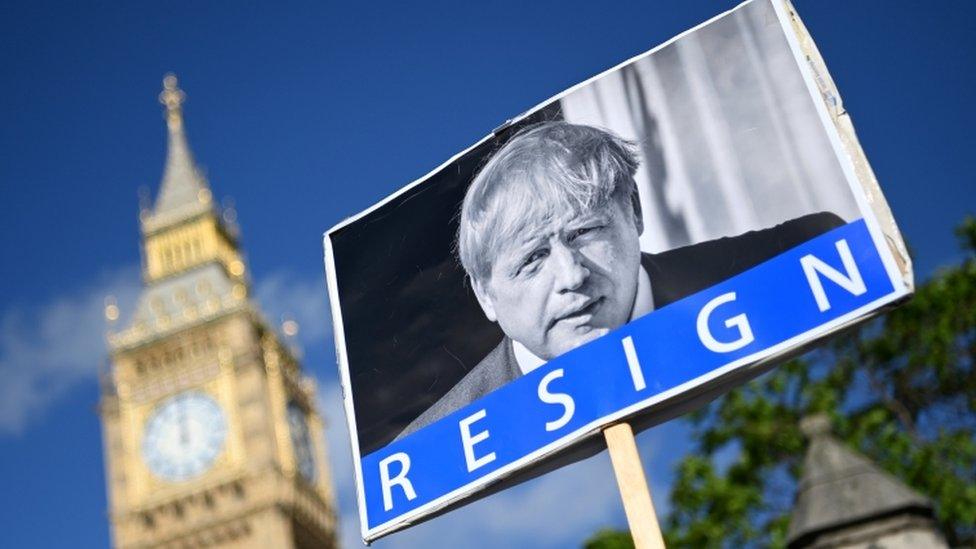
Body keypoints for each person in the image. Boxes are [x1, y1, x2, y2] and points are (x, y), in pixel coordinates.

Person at [400, 121, 842, 437]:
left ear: (633, 211)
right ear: (485, 296)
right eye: (533, 259)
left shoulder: (808, 253)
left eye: (585, 232)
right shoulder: (433, 446)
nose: (571, 275)